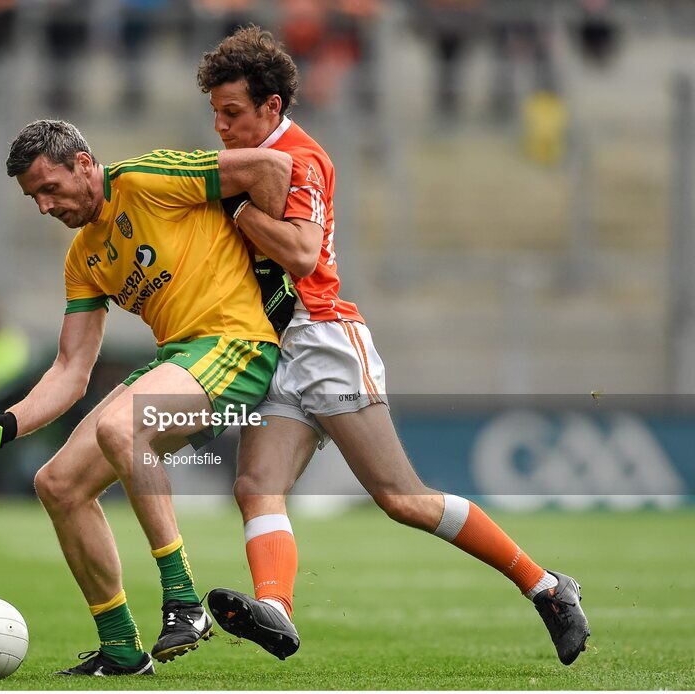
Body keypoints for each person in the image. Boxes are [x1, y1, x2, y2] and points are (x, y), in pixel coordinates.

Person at [196, 25, 590, 666]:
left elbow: (299, 253)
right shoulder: (250, 160)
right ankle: (277, 610)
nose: (220, 126)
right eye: (215, 113)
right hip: (276, 346)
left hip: (324, 340)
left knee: (401, 498)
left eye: (232, 112)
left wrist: (236, 213)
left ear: (272, 107)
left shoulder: (301, 156)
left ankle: (547, 586)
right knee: (254, 485)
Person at [0, 119, 292, 675]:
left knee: (121, 427)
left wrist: (270, 264)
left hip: (238, 345)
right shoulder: (84, 257)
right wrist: (9, 423)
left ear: (84, 164)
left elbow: (271, 167)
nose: (43, 207)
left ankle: (184, 602)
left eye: (50, 188)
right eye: (33, 197)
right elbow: (70, 368)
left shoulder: (146, 178)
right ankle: (120, 649)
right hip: (179, 361)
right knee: (57, 485)